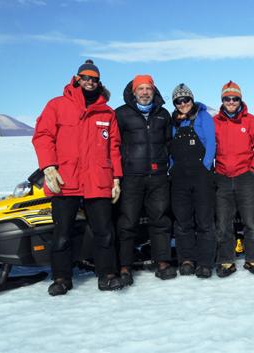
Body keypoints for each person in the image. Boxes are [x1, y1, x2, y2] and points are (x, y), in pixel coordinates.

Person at [33, 59, 124, 295]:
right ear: (76, 79)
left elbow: (114, 147)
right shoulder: (57, 105)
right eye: (85, 78)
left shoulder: (107, 112)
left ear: (99, 82)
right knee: (62, 233)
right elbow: (43, 136)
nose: (89, 82)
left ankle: (107, 275)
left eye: (94, 79)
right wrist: (48, 167)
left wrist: (116, 178)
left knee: (104, 232)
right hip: (66, 180)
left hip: (98, 180)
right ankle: (62, 278)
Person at [115, 75, 174, 285]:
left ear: (154, 91)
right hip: (132, 176)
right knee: (128, 221)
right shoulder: (121, 114)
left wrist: (167, 166)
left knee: (160, 220)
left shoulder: (162, 114)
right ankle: (124, 266)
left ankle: (163, 263)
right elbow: (114, 144)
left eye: (148, 88)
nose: (145, 92)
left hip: (158, 175)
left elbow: (169, 143)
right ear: (133, 92)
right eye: (140, 88)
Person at [213, 81, 254, 277]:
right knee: (223, 223)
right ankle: (227, 261)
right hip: (222, 177)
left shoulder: (251, 121)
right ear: (222, 100)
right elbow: (208, 148)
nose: (231, 102)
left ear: (240, 100)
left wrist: (253, 169)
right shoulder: (215, 122)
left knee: (251, 222)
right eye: (227, 98)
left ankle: (253, 260)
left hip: (245, 176)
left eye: (234, 98)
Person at [168, 83, 217, 279]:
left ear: (191, 99)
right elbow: (171, 148)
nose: (183, 103)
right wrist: (171, 167)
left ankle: (205, 262)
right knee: (182, 221)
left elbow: (211, 143)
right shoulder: (175, 121)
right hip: (179, 176)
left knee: (204, 221)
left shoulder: (203, 116)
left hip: (201, 176)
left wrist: (205, 166)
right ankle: (187, 259)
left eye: (186, 99)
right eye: (179, 101)